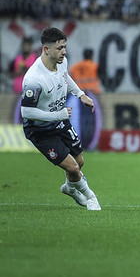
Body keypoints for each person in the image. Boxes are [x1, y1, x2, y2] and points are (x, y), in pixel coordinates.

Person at [20, 27, 101, 210]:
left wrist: (80, 94)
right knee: (73, 168)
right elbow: (26, 112)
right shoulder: (34, 78)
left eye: (65, 47)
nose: (64, 52)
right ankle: (91, 197)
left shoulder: (62, 61)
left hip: (59, 120)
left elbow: (65, 77)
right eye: (59, 48)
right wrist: (58, 115)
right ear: (46, 49)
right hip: (40, 129)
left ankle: (70, 188)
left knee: (79, 162)